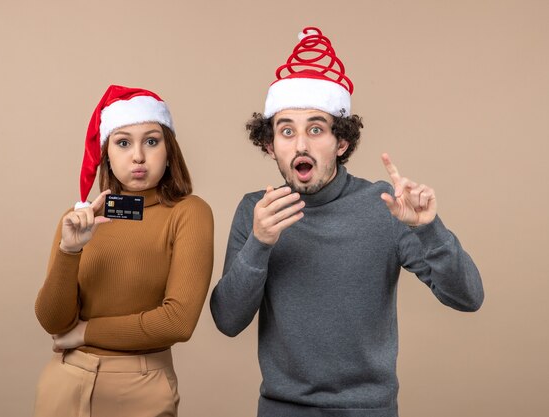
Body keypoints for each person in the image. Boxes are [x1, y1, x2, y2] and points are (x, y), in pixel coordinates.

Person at [210, 27, 483, 417]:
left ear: (341, 142)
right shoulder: (257, 211)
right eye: (286, 131)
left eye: (316, 129)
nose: (301, 145)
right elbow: (227, 320)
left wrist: (428, 228)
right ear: (270, 146)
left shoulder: (384, 207)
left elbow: (468, 297)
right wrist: (260, 242)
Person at [34, 85, 213, 417]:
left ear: (169, 149)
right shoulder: (78, 219)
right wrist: (68, 251)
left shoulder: (188, 213)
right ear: (107, 153)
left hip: (140, 386)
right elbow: (52, 321)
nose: (138, 156)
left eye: (151, 141)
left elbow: (177, 322)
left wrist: (84, 333)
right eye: (123, 142)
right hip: (63, 382)